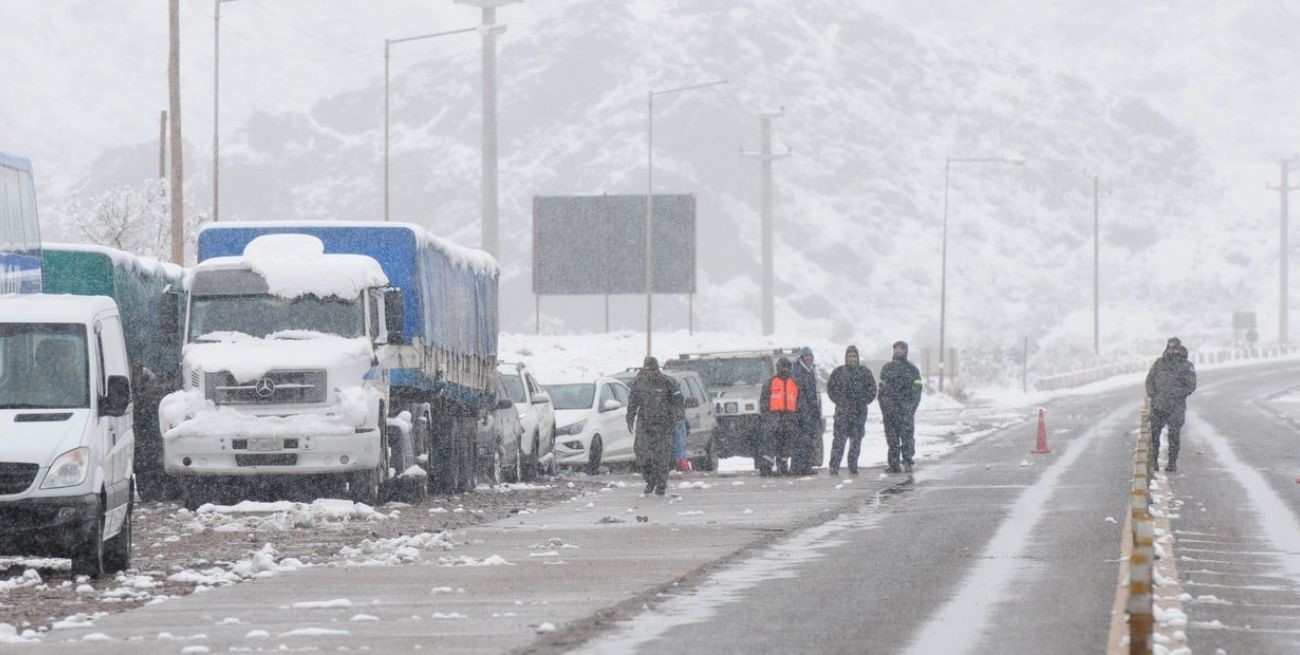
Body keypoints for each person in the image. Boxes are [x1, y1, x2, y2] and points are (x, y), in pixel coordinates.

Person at [627, 356, 684, 495]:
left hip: (664, 424)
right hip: (644, 424)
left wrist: (678, 417)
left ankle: (661, 485)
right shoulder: (639, 383)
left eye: (653, 370)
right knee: (642, 455)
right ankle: (650, 480)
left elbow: (678, 401)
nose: (650, 373)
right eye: (648, 370)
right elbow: (633, 402)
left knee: (662, 457)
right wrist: (629, 418)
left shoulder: (668, 382)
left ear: (657, 369)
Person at [1145, 337, 1196, 473]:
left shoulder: (1187, 366)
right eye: (1169, 348)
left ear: (1179, 349)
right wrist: (1153, 394)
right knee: (1155, 435)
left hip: (1176, 407)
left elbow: (1191, 386)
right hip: (1158, 406)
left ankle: (1172, 462)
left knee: (1173, 436)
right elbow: (1149, 381)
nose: (1172, 351)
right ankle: (1154, 462)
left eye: (1174, 348)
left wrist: (1175, 394)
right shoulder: (1159, 363)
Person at [827, 345, 877, 475]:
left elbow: (872, 390)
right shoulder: (838, 372)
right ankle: (834, 466)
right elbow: (830, 389)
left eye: (854, 356)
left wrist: (862, 401)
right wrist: (840, 401)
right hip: (842, 413)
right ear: (846, 357)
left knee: (856, 441)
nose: (852, 359)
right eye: (849, 356)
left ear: (858, 357)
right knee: (839, 441)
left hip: (859, 413)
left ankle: (853, 465)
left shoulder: (865, 372)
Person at [878, 341, 922, 474]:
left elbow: (917, 391)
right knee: (892, 439)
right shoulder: (887, 368)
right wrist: (885, 407)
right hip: (890, 411)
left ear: (906, 351)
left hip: (905, 411)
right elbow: (881, 390)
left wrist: (910, 408)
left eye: (901, 349)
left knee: (907, 438)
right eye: (896, 348)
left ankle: (907, 461)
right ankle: (894, 465)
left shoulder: (912, 370)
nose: (898, 351)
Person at [758, 357, 800, 476]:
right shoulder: (770, 382)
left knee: (786, 445)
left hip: (789, 419)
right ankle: (766, 467)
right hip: (773, 419)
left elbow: (798, 402)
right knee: (770, 444)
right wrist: (767, 416)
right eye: (782, 367)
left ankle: (783, 467)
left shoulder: (794, 383)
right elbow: (763, 401)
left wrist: (795, 417)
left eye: (786, 367)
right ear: (777, 368)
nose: (784, 369)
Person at [788, 346, 822, 476]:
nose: (808, 358)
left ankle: (806, 466)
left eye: (810, 356)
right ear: (802, 358)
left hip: (809, 410)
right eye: (806, 356)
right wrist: (802, 410)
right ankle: (798, 467)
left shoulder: (811, 370)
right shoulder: (798, 371)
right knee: (800, 441)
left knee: (808, 440)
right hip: (801, 412)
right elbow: (800, 393)